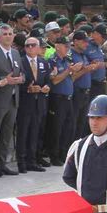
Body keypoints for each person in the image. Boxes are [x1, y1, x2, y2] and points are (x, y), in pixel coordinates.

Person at [0, 24, 24, 177]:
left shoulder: (16, 53)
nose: (8, 36)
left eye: (10, 33)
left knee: (7, 134)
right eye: (5, 34)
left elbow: (21, 72)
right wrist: (5, 80)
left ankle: (2, 164)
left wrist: (21, 78)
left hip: (13, 99)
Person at [16, 36, 50, 173]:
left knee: (35, 132)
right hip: (25, 103)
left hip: (39, 102)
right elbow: (18, 83)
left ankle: (32, 160)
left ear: (38, 47)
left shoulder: (43, 62)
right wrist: (27, 89)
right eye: (27, 45)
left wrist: (47, 86)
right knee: (23, 132)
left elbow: (48, 80)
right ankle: (21, 162)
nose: (30, 48)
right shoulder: (20, 62)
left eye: (33, 45)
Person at [47, 36, 79, 165]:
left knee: (68, 127)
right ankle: (54, 155)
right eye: (65, 46)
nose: (68, 48)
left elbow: (71, 78)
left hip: (68, 98)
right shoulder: (52, 61)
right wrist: (68, 71)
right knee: (56, 128)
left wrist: (75, 71)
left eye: (69, 46)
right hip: (57, 98)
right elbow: (54, 80)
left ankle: (64, 152)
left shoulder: (67, 60)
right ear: (57, 46)